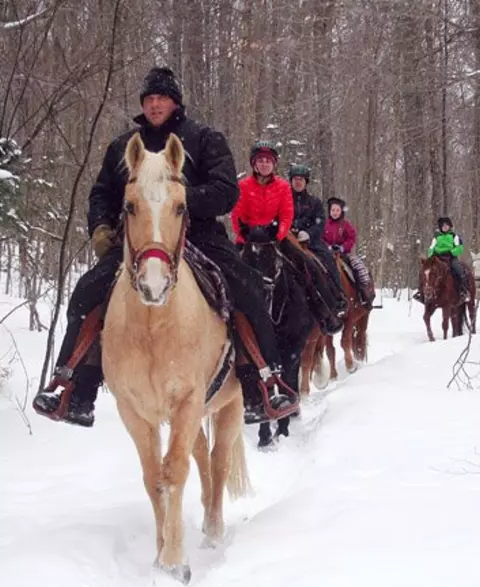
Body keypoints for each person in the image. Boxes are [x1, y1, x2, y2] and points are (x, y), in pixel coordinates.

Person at [33, 67, 296, 427]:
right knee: (86, 293)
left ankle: (263, 384)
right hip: (138, 241)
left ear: (175, 102)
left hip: (198, 236)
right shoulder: (123, 146)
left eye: (162, 98)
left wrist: (180, 199)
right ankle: (74, 388)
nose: (155, 104)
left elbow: (226, 191)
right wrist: (101, 227)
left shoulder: (204, 139)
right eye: (149, 98)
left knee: (247, 287)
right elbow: (102, 193)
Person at [231, 142, 344, 336]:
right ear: (254, 164)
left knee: (307, 263)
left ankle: (327, 308)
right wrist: (246, 234)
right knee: (227, 267)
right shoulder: (243, 186)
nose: (265, 164)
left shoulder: (283, 187)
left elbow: (286, 214)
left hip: (276, 238)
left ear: (274, 164)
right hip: (249, 239)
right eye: (261, 160)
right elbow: (236, 216)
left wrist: (278, 233)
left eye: (268, 160)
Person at [288, 163, 348, 313]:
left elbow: (320, 223)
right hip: (286, 240)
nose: (298, 182)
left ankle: (337, 295)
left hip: (310, 243)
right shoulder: (284, 199)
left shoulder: (315, 202)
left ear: (306, 182)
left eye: (301, 179)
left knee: (328, 259)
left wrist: (308, 233)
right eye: (295, 178)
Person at [321, 196, 375, 308]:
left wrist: (342, 247)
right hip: (327, 254)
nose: (335, 213)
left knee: (358, 266)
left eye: (337, 210)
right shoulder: (324, 225)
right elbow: (321, 239)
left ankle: (364, 293)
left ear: (341, 211)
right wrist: (328, 247)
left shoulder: (346, 225)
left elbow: (351, 238)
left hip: (344, 254)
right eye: (332, 210)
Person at [417, 216, 471, 302]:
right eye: (443, 226)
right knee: (425, 270)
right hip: (438, 258)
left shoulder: (454, 236)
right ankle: (421, 292)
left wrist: (452, 252)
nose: (445, 227)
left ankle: (464, 290)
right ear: (440, 227)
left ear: (450, 226)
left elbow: (460, 248)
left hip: (450, 257)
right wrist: (432, 255)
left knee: (460, 270)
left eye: (447, 225)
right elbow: (431, 249)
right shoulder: (436, 237)